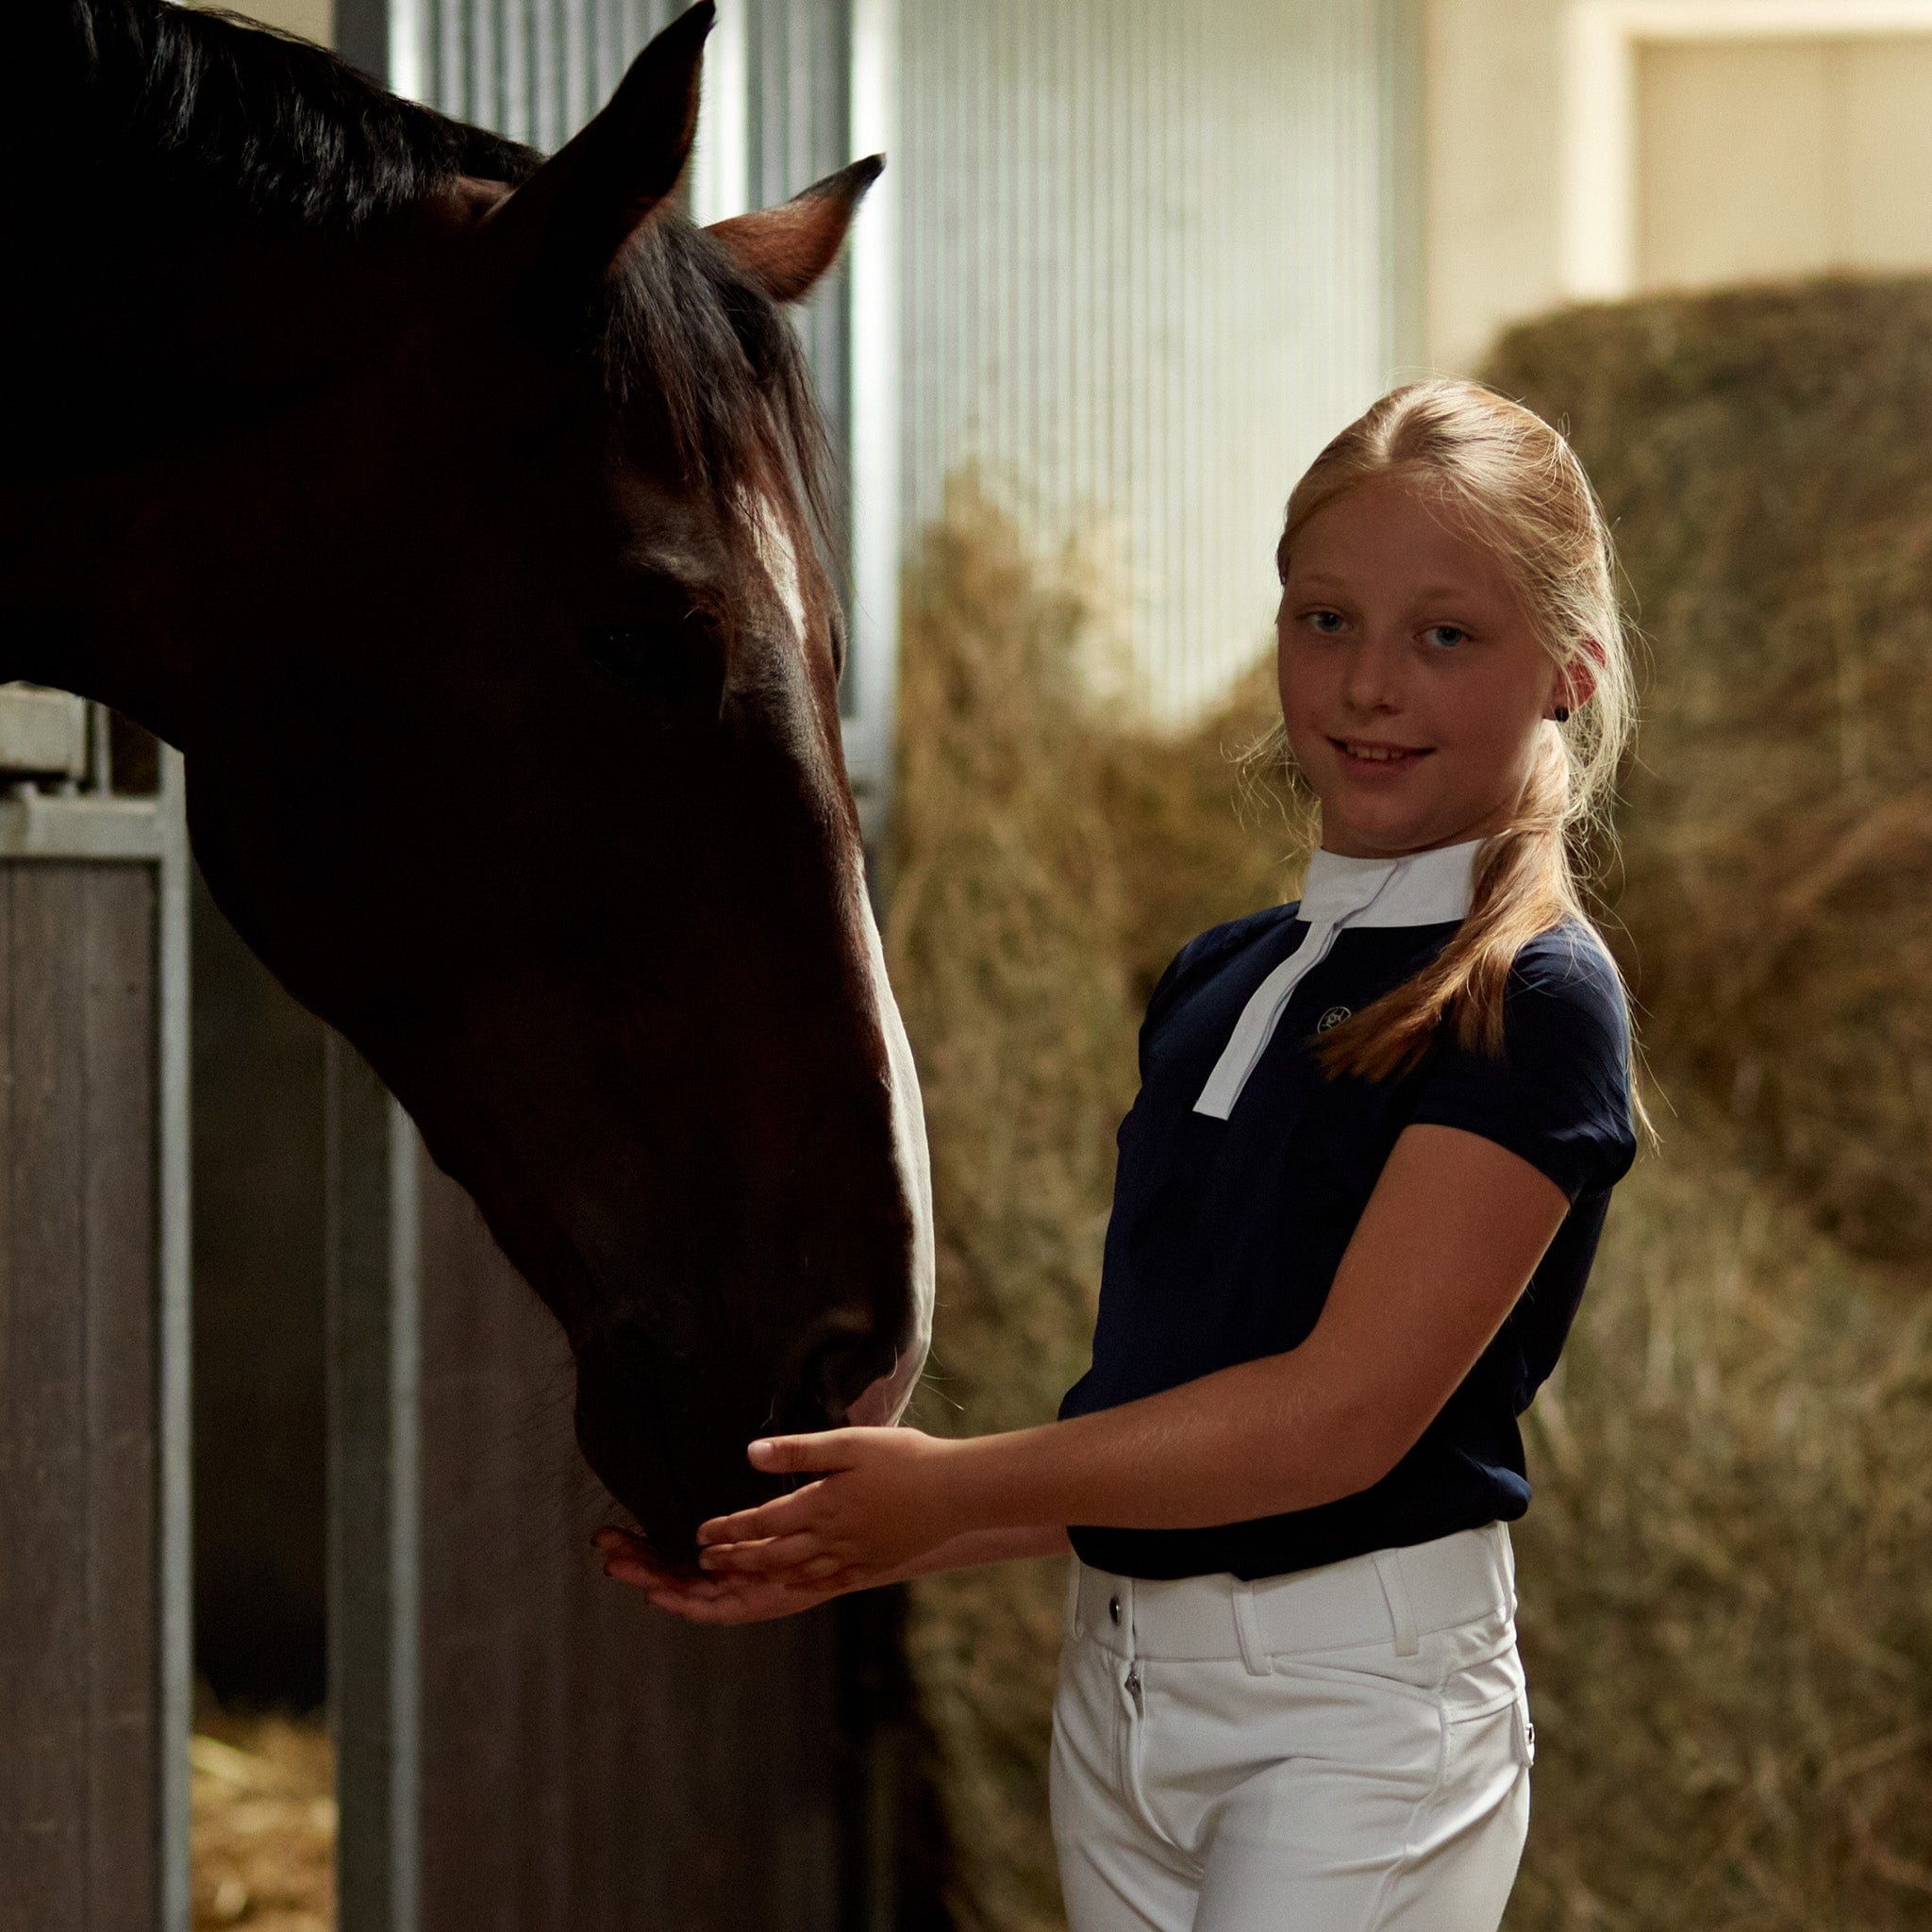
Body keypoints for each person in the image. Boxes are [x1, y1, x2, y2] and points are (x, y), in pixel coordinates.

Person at [597, 377, 1641, 1931]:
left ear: (1569, 668)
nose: (1366, 686)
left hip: (1354, 1721)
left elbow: (1332, 1425)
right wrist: (871, 1537)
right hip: (1126, 1693)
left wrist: (951, 1486)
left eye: (1445, 636)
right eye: (1323, 619)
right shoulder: (1219, 975)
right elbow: (1168, 1428)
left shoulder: (1533, 1002)